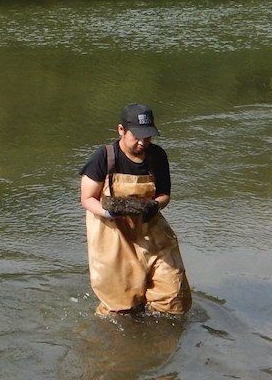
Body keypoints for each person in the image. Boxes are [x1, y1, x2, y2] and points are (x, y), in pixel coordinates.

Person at [78, 103, 191, 316]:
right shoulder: (105, 156)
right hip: (113, 233)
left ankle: (160, 333)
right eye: (136, 137)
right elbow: (87, 198)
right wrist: (108, 212)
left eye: (147, 137)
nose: (142, 142)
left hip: (149, 226)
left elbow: (165, 194)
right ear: (121, 130)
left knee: (173, 294)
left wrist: (155, 205)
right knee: (121, 301)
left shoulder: (157, 156)